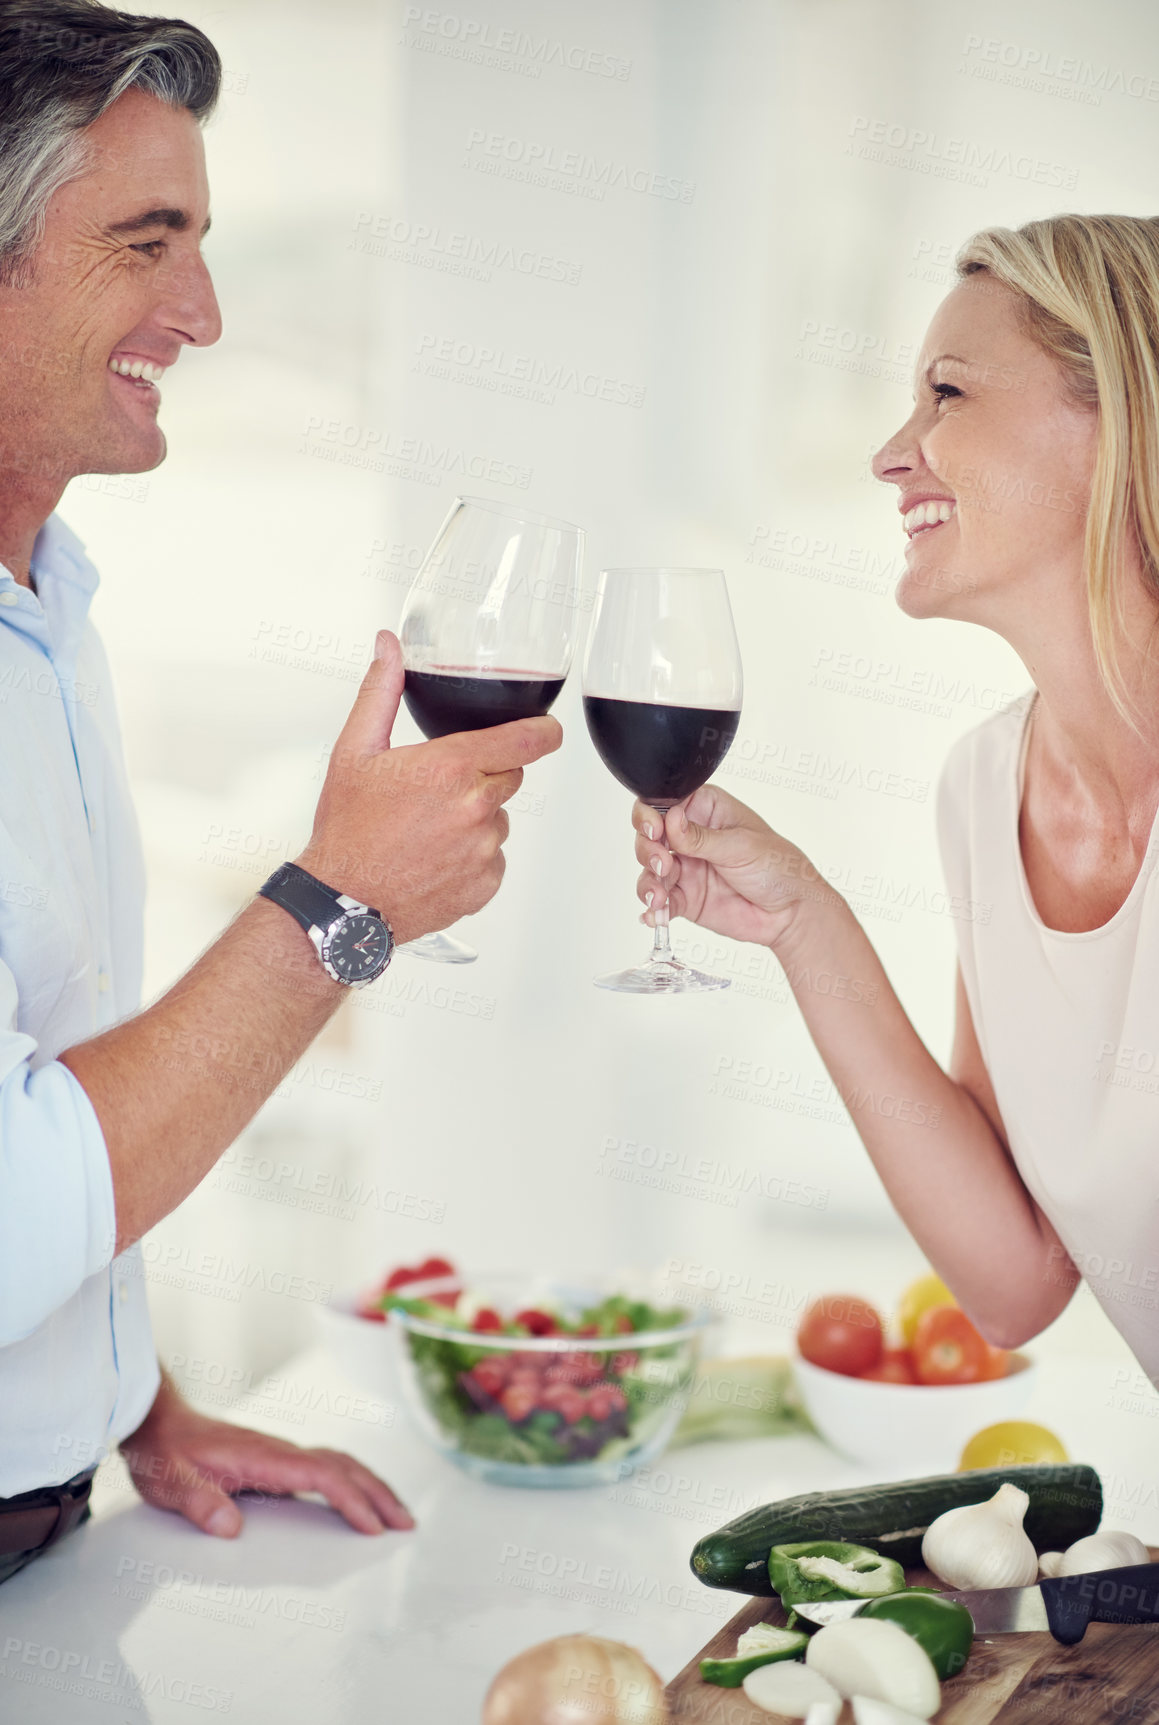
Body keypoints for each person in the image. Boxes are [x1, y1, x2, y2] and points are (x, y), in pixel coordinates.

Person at [0, 1, 560, 1582]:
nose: (207, 310)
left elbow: (46, 1076)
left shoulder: (51, 610)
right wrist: (341, 907)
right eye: (145, 240)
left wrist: (132, 1399)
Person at [638, 213, 1159, 1385]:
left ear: (1123, 415)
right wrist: (801, 921)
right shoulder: (986, 788)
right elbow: (1014, 1278)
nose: (891, 453)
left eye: (948, 395)